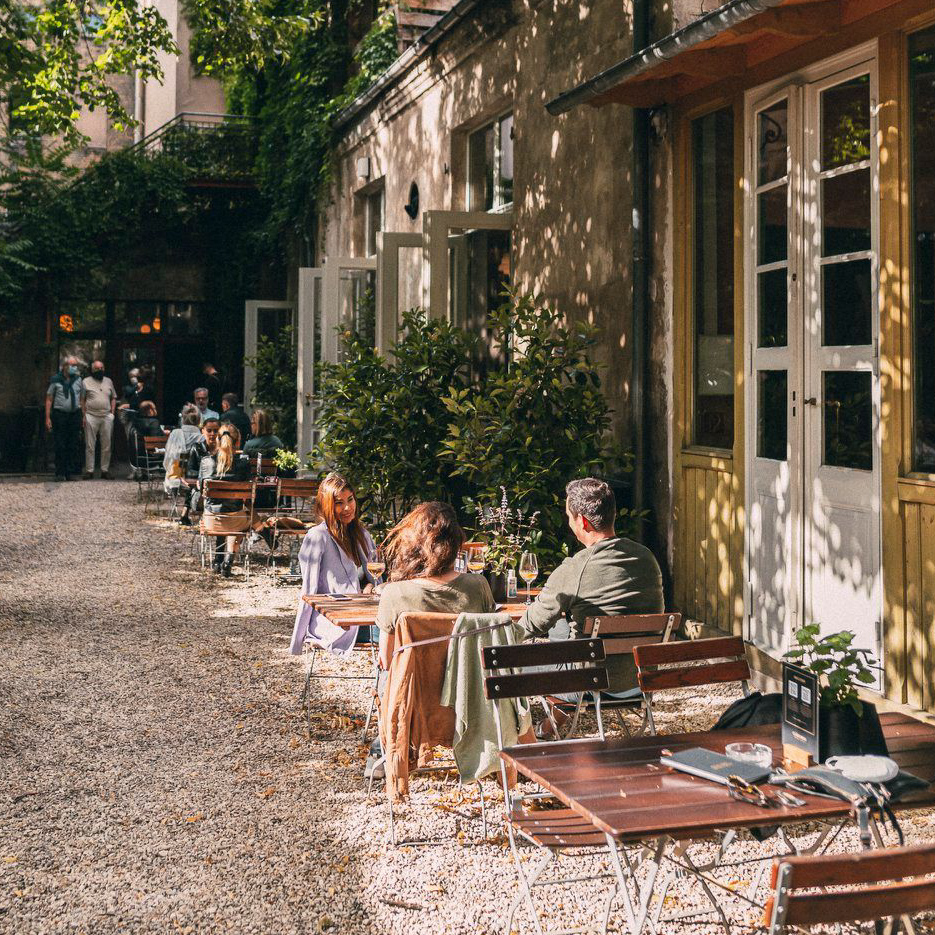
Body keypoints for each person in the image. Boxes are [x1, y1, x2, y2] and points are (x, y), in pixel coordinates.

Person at [517, 477, 664, 735]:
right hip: (640, 678)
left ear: (582, 521)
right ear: (613, 514)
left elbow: (532, 624)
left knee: (506, 663)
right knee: (563, 628)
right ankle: (552, 724)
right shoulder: (646, 558)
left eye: (569, 517)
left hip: (588, 682)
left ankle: (519, 737)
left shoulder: (575, 568)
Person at [375, 501, 496, 670]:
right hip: (465, 692)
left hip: (413, 693)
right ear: (456, 543)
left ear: (413, 545)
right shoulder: (478, 586)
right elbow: (489, 646)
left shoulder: (394, 593)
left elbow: (387, 662)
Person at [289, 473, 376, 656]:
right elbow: (308, 591)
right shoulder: (317, 537)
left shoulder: (362, 535)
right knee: (396, 635)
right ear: (327, 506)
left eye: (350, 500)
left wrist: (369, 587)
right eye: (338, 503)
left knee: (402, 631)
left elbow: (374, 579)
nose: (347, 507)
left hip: (367, 616)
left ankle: (387, 684)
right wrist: (298, 641)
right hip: (335, 623)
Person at [201, 424, 250, 577]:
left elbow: (199, 488)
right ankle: (228, 559)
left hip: (211, 521)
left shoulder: (206, 462)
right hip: (236, 520)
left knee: (222, 509)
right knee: (246, 515)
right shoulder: (243, 463)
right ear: (237, 441)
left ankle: (217, 560)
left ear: (217, 439)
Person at [45, 357, 83, 481]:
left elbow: (82, 398)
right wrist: (47, 417)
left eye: (76, 365)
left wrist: (83, 415)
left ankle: (69, 472)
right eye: (72, 365)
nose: (75, 368)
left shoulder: (78, 380)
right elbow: (49, 398)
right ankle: (60, 472)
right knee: (60, 443)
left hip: (74, 414)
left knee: (72, 443)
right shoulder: (56, 380)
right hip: (60, 415)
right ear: (65, 366)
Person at [178, 417, 220, 526]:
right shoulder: (197, 448)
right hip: (202, 487)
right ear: (203, 431)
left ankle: (185, 514)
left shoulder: (223, 450)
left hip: (219, 486)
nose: (212, 434)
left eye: (215, 431)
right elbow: (190, 471)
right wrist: (203, 476)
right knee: (195, 484)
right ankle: (185, 514)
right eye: (209, 430)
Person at [81, 360, 117, 479]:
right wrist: (84, 415)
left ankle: (104, 470)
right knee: (90, 445)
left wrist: (112, 412)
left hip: (106, 416)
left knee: (106, 444)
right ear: (92, 370)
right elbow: (82, 400)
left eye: (101, 367)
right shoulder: (85, 382)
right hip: (91, 415)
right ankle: (89, 470)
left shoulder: (109, 381)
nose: (100, 370)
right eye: (97, 368)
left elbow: (113, 397)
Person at [163, 405, 202, 492]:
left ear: (183, 419)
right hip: (196, 476)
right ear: (199, 420)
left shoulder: (175, 433)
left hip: (175, 475)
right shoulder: (201, 437)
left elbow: (169, 455)